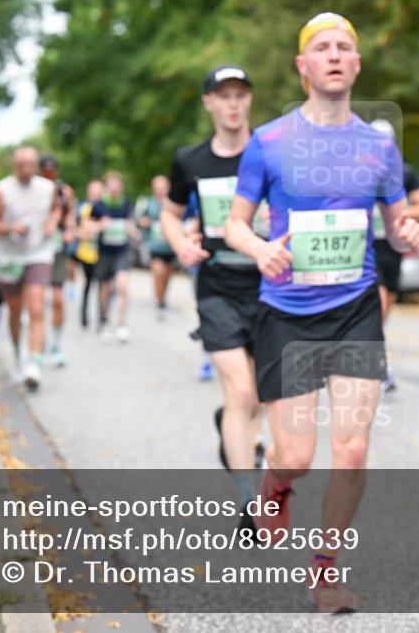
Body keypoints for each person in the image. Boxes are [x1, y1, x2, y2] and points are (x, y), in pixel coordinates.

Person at [225, 12, 419, 613]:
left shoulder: (379, 146)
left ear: (357, 65)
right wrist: (260, 248)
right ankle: (275, 484)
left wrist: (410, 234)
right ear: (303, 66)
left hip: (355, 308)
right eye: (322, 48)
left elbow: (397, 225)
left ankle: (325, 571)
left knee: (353, 449)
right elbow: (234, 224)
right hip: (286, 313)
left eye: (344, 47)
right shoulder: (268, 142)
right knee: (295, 456)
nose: (335, 55)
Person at [163, 64, 264, 523]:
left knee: (259, 394)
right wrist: (181, 241)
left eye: (240, 94)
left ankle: (234, 432)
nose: (233, 103)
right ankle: (248, 500)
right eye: (223, 95)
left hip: (270, 287)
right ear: (208, 102)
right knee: (241, 391)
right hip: (218, 287)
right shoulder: (191, 160)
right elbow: (170, 211)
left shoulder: (271, 154)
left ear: (249, 101)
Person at [0, 146, 61, 391]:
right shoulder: (2, 190)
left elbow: (57, 208)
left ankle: (34, 365)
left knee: (36, 307)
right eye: (21, 165)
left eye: (31, 165)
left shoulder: (47, 188)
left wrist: (52, 223)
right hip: (9, 258)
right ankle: (18, 354)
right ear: (14, 166)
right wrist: (9, 228)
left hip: (38, 253)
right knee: (15, 312)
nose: (26, 169)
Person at [368, 118, 419, 392]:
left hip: (393, 247)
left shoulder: (404, 172)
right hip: (367, 245)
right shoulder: (359, 173)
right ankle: (377, 364)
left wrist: (396, 213)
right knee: (378, 303)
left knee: (387, 303)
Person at [39, 155, 77, 366]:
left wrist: (70, 230)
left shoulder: (65, 191)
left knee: (58, 299)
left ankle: (56, 345)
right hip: (36, 249)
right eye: (46, 170)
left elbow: (70, 215)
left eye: (52, 170)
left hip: (57, 248)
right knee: (36, 300)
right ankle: (37, 345)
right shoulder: (33, 190)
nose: (49, 174)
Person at [93, 171, 137, 343]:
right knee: (104, 288)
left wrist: (131, 230)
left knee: (122, 286)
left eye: (117, 185)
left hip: (121, 251)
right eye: (111, 185)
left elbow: (130, 222)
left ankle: (121, 324)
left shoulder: (125, 203)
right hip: (104, 252)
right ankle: (104, 321)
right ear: (106, 187)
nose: (114, 189)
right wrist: (100, 225)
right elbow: (88, 226)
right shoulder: (99, 205)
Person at [141, 175, 175, 313]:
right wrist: (145, 222)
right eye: (157, 189)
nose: (159, 191)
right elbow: (141, 220)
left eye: (162, 188)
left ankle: (162, 297)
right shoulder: (148, 203)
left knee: (166, 276)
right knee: (158, 273)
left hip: (171, 247)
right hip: (154, 246)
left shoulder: (174, 204)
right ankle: (158, 301)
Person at [74, 179, 103, 329]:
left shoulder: (105, 208)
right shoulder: (83, 209)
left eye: (99, 193)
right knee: (88, 285)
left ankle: (101, 318)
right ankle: (84, 317)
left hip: (102, 254)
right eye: (93, 193)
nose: (96, 196)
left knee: (102, 287)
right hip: (87, 254)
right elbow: (80, 230)